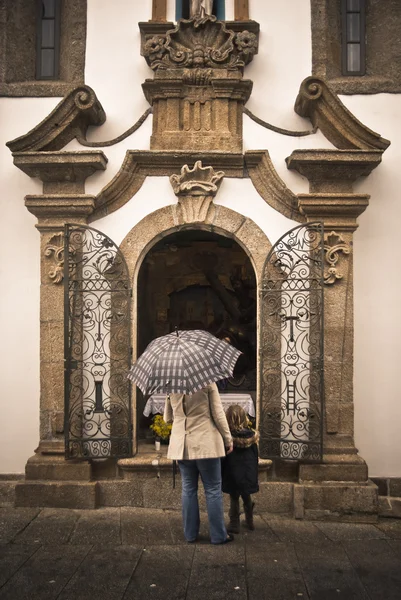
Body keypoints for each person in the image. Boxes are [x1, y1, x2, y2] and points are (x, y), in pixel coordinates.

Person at [164, 382, 234, 544]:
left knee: (188, 489)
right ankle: (218, 536)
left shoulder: (172, 385)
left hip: (183, 445)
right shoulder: (207, 382)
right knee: (213, 489)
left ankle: (190, 535)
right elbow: (218, 413)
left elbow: (168, 418)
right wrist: (227, 438)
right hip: (205, 442)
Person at [222, 404, 259, 532]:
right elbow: (255, 457)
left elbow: (224, 458)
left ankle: (234, 523)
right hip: (248, 473)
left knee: (234, 497)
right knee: (246, 495)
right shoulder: (252, 437)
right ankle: (250, 520)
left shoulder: (228, 439)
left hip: (233, 474)